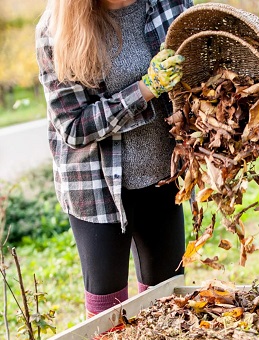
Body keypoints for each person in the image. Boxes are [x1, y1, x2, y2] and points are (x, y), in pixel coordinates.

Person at [35, 0, 192, 320]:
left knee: (167, 299)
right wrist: (145, 90)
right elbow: (74, 127)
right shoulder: (56, 30)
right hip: (94, 185)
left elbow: (200, 64)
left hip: (162, 176)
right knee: (109, 311)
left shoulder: (169, 2)